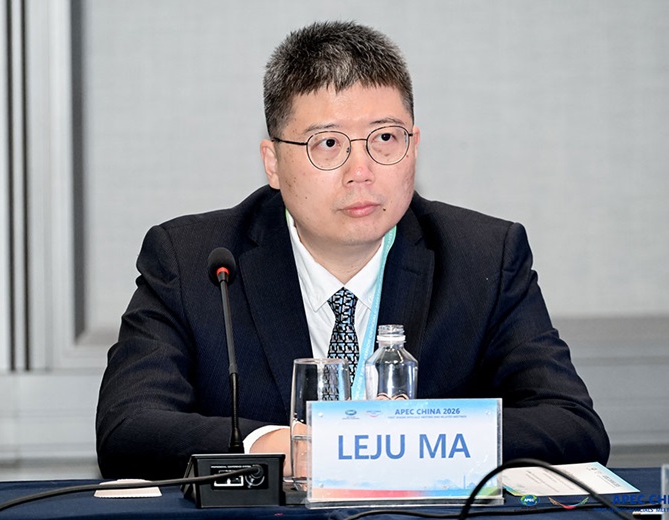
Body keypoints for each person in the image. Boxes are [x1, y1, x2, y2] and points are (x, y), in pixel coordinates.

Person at [96, 20, 609, 480]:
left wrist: (396, 443)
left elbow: (573, 426)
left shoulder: (483, 257)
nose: (360, 172)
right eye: (328, 144)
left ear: (414, 145)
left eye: (384, 138)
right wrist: (275, 448)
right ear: (273, 162)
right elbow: (128, 428)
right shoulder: (194, 263)